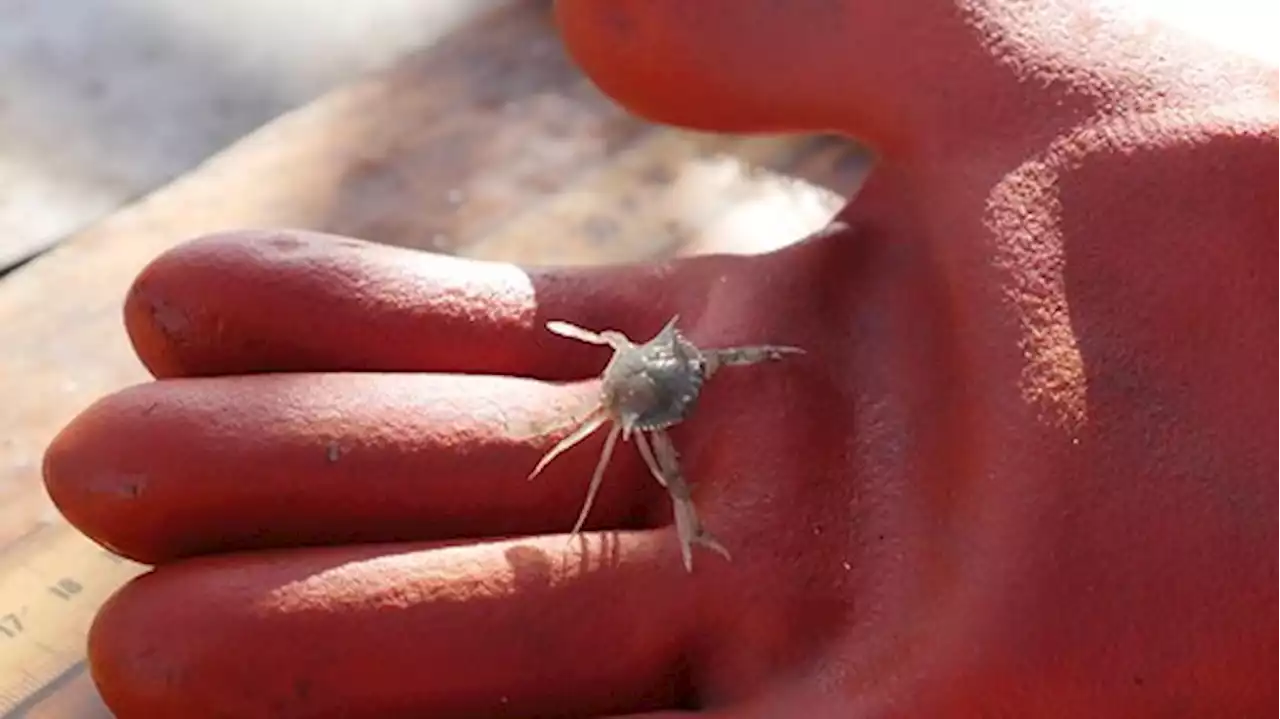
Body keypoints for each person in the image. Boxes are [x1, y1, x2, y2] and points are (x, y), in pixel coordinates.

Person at [42, 0, 1280, 716]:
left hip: (663, 375)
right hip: (646, 384)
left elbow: (694, 360)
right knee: (606, 438)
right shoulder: (640, 396)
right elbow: (638, 384)